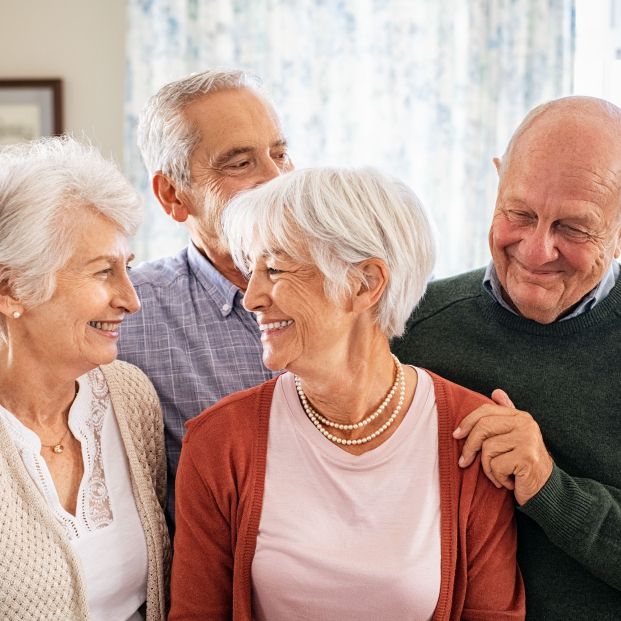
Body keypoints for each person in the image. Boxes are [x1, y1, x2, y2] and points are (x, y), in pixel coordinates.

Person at [169, 167, 525, 620]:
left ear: (364, 284)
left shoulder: (471, 435)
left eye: (274, 268)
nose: (251, 296)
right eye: (251, 270)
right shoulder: (219, 442)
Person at [392, 96, 621, 619]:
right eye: (519, 214)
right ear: (496, 183)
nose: (537, 250)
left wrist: (547, 486)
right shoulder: (410, 329)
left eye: (574, 228)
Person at [0, 137, 170, 620]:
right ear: (12, 289)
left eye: (128, 269)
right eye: (103, 272)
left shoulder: (129, 394)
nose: (130, 299)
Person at [118, 69, 293, 528]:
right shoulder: (125, 315)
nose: (277, 179)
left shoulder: (361, 288)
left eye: (280, 153)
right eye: (240, 163)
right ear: (174, 196)